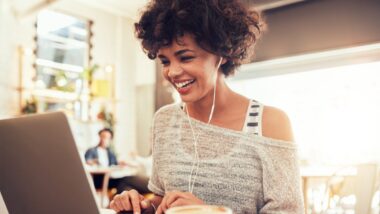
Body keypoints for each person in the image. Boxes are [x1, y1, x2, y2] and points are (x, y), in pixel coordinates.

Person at [110, 0, 304, 213]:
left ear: (222, 53)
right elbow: (163, 200)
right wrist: (142, 205)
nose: (172, 72)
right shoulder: (164, 120)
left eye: (185, 57)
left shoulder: (270, 124)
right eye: (165, 61)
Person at [85, 128, 150, 195]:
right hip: (98, 180)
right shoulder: (91, 151)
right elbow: (87, 162)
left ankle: (125, 202)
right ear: (99, 137)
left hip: (110, 178)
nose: (104, 140)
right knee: (126, 181)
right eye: (103, 137)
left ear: (110, 139)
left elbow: (114, 164)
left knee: (125, 186)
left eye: (107, 138)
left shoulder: (110, 152)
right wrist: (93, 162)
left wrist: (121, 164)